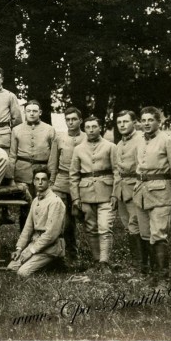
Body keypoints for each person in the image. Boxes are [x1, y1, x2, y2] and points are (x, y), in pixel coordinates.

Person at [133, 106, 171, 287]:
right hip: (141, 192)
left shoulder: (168, 141)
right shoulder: (140, 142)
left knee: (158, 235)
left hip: (162, 194)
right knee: (146, 234)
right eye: (144, 120)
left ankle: (164, 278)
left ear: (159, 122)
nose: (146, 123)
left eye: (150, 120)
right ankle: (153, 275)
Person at [70, 116, 117, 274]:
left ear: (100, 128)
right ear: (84, 128)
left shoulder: (110, 147)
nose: (91, 130)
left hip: (107, 193)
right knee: (90, 228)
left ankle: (104, 262)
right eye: (88, 127)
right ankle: (96, 261)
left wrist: (115, 194)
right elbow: (74, 175)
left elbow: (117, 172)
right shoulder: (78, 149)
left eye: (94, 127)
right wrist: (76, 197)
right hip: (86, 193)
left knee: (105, 227)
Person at [7, 167, 66, 278]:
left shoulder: (55, 202)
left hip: (50, 247)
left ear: (49, 182)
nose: (40, 182)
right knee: (11, 268)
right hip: (35, 244)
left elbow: (51, 235)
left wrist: (31, 251)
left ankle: (53, 264)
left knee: (22, 273)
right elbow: (28, 227)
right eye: (37, 179)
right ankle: (43, 264)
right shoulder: (35, 200)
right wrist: (19, 249)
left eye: (43, 179)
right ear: (33, 182)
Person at [112, 110, 150, 274]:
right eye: (119, 122)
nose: (122, 125)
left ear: (135, 123)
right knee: (129, 227)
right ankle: (137, 265)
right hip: (122, 190)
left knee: (139, 226)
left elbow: (146, 167)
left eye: (125, 122)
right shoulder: (120, 144)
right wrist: (115, 192)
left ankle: (143, 267)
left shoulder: (142, 140)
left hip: (136, 188)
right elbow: (117, 171)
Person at [47, 107, 87, 262]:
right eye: (68, 119)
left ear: (80, 121)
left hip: (82, 182)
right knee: (64, 221)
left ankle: (94, 255)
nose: (71, 122)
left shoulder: (86, 137)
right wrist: (52, 182)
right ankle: (64, 255)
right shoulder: (60, 138)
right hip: (62, 181)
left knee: (84, 219)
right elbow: (53, 162)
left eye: (74, 119)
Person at [9, 100, 56, 230]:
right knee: (25, 208)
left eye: (35, 111)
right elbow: (12, 155)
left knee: (43, 207)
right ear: (24, 112)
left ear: (40, 112)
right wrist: (11, 178)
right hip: (22, 173)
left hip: (42, 173)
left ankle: (40, 241)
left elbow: (53, 157)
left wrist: (51, 177)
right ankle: (23, 242)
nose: (32, 113)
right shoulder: (16, 130)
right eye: (29, 111)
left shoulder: (49, 130)